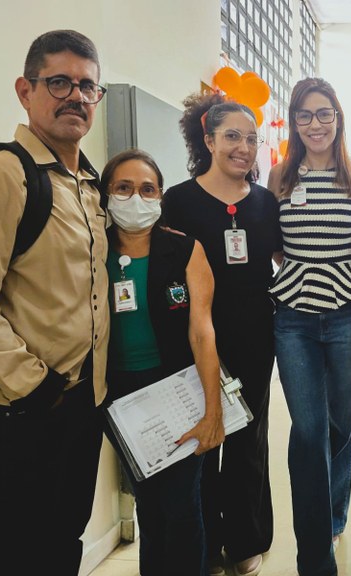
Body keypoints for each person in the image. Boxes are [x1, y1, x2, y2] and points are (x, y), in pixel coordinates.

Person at [0, 30, 109, 576]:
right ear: (25, 90)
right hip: (21, 408)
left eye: (87, 86)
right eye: (58, 82)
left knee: (63, 540)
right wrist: (33, 384)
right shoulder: (2, 173)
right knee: (13, 552)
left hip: (80, 403)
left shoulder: (88, 184)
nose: (75, 96)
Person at [164, 94, 281, 576]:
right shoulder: (178, 201)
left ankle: (246, 538)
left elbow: (280, 262)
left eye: (252, 139)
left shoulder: (265, 202)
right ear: (209, 140)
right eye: (232, 136)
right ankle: (207, 543)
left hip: (255, 335)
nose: (243, 147)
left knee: (248, 438)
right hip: (196, 337)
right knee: (204, 437)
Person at [268, 77, 351, 576]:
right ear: (294, 122)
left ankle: (333, 514)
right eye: (305, 115)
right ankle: (314, 555)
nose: (315, 124)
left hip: (347, 315)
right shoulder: (279, 177)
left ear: (338, 119)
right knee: (309, 431)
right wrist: (303, 273)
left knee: (342, 424)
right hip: (293, 319)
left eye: (324, 113)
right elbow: (274, 245)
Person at [100, 149, 224, 576]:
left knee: (182, 506)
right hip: (118, 398)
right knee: (149, 505)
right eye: (124, 188)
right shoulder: (91, 250)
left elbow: (202, 333)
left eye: (147, 189)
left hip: (175, 392)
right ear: (107, 193)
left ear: (160, 196)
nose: (136, 198)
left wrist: (212, 410)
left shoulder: (185, 250)